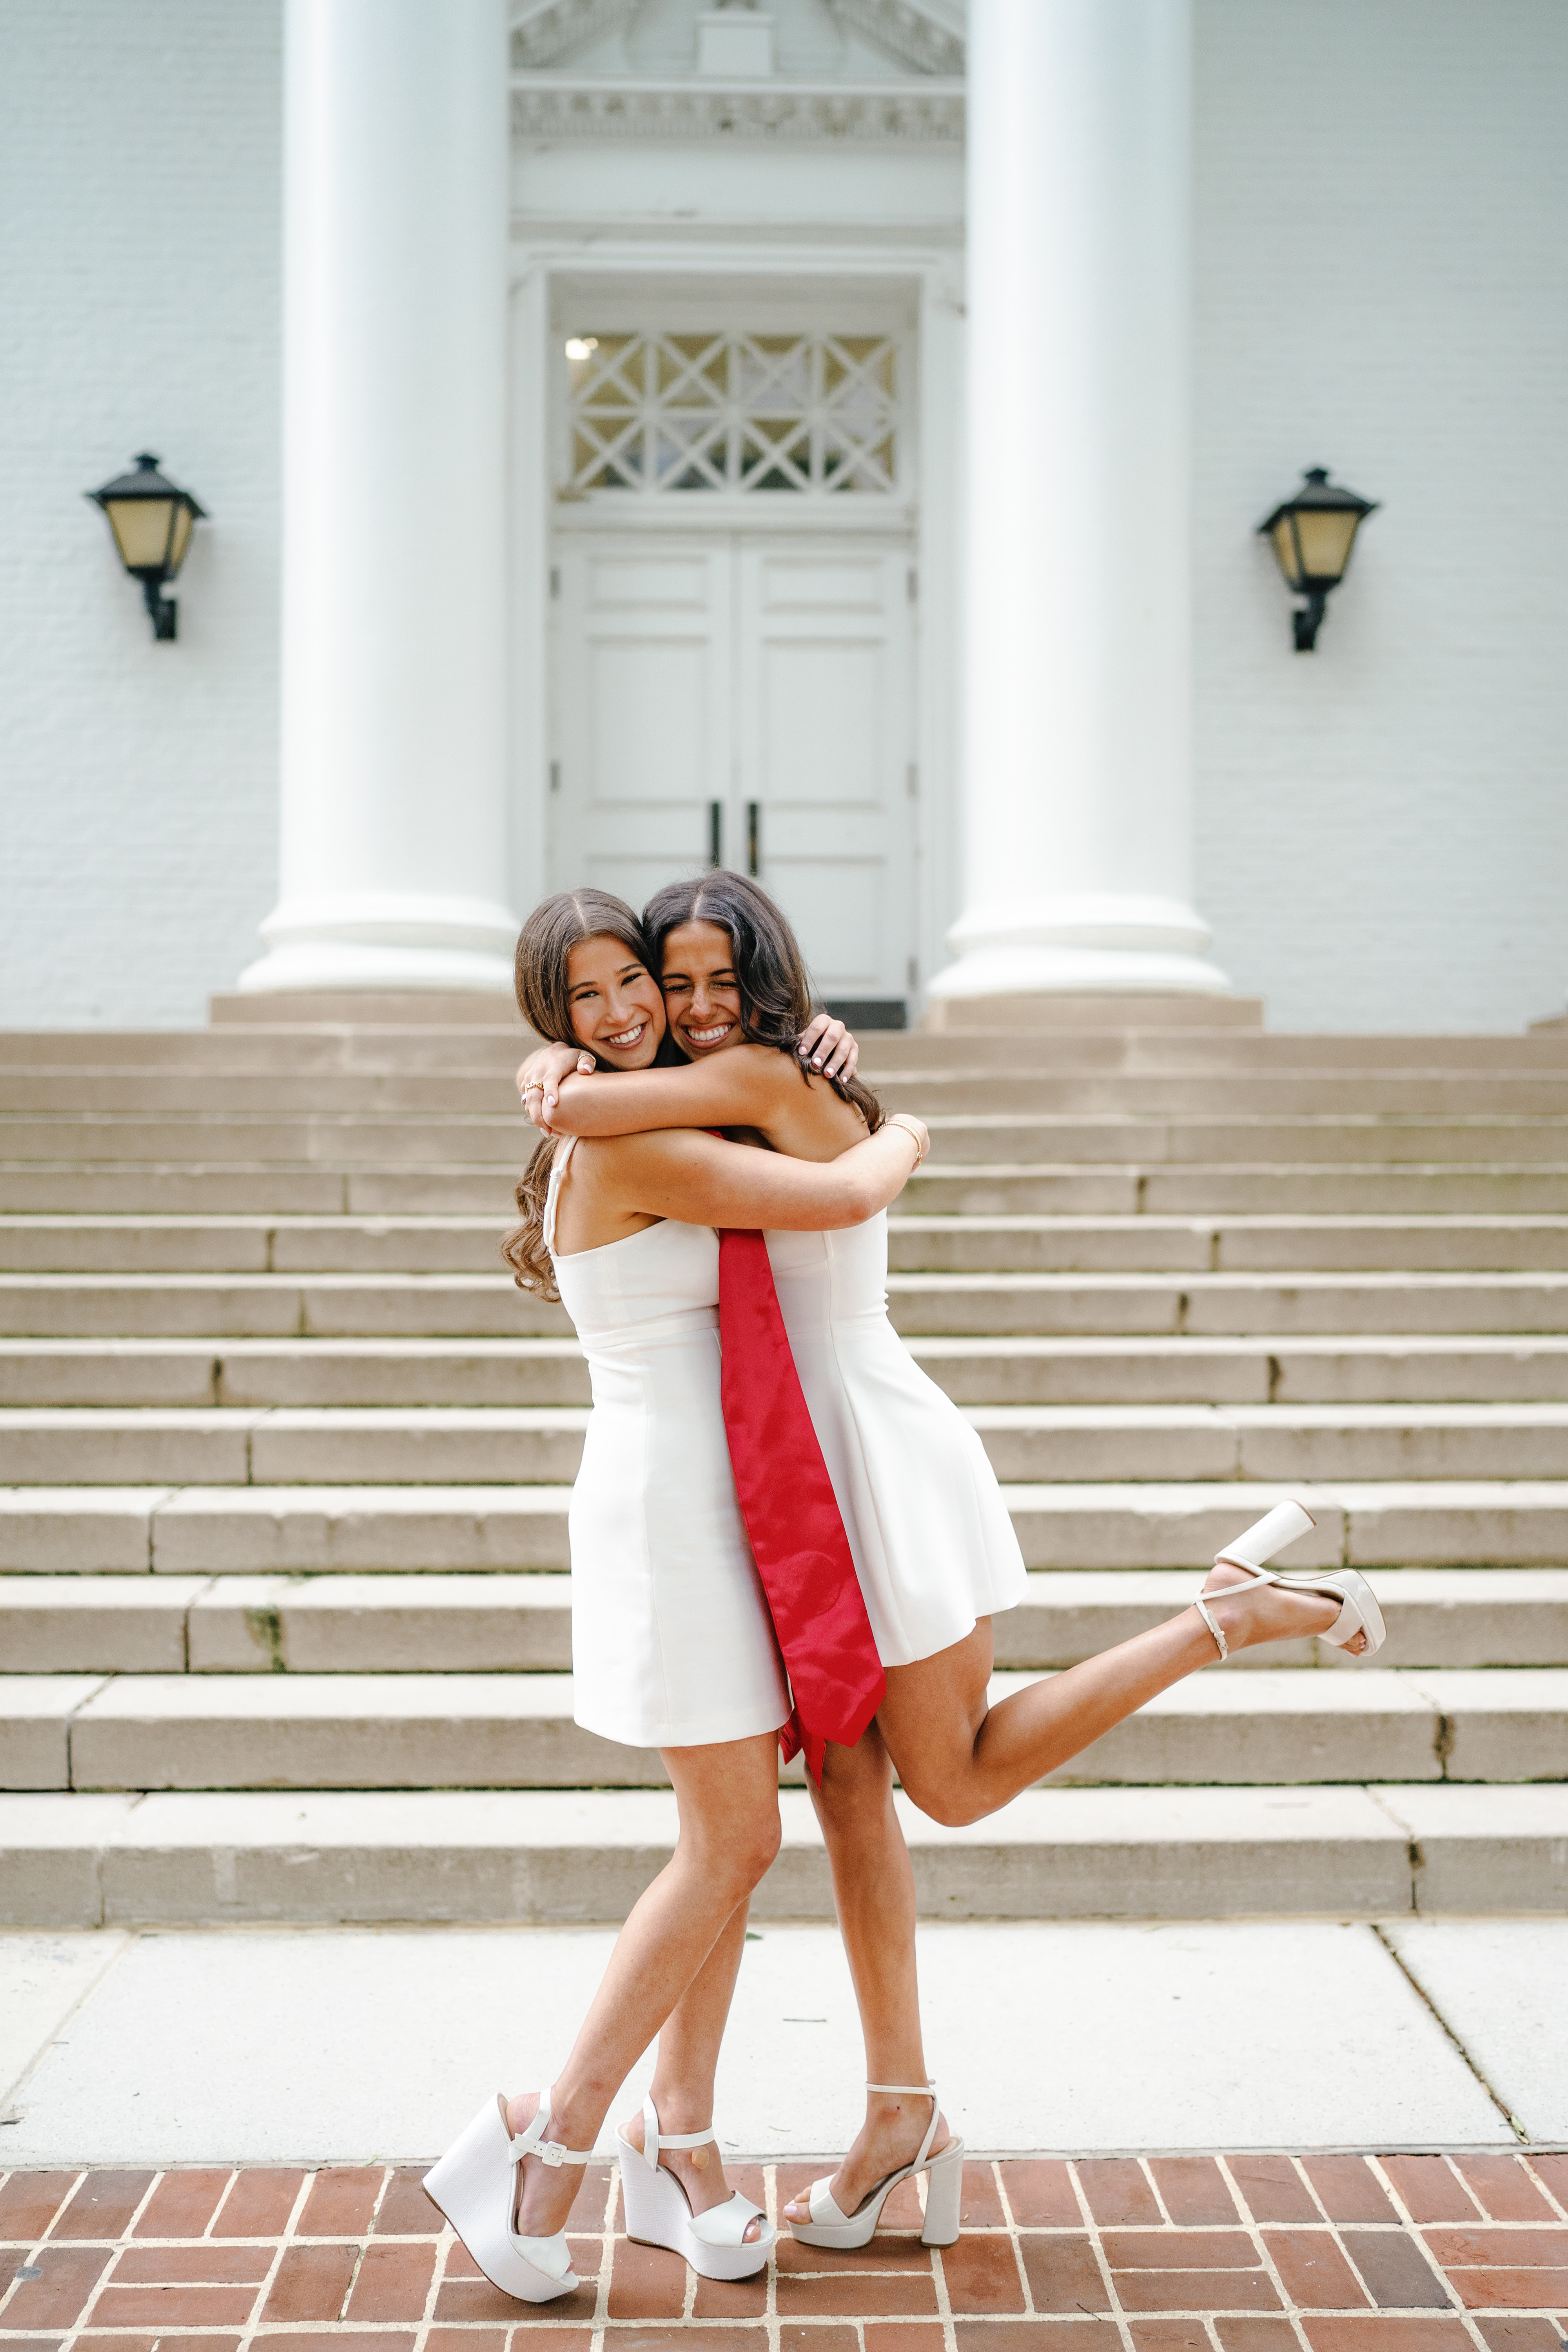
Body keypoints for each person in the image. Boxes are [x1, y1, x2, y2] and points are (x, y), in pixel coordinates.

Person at [518, 869, 1386, 2251]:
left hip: (879, 1462)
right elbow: (608, 1105)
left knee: (950, 1779)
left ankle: (1218, 1621)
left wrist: (575, 1070)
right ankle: (896, 2116)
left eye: (705, 980)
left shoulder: (751, 1077)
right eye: (656, 982)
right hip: (801, 1481)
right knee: (852, 1799)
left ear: (761, 981)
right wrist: (570, 1047)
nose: (682, 1008)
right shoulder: (731, 1083)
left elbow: (598, 1110)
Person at [422, 888, 931, 2307]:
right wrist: (906, 1129)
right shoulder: (628, 1141)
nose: (622, 1011)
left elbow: (758, 1105)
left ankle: (682, 2142)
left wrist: (805, 1055)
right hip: (670, 1516)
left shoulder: (643, 1109)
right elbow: (837, 1194)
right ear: (551, 1021)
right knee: (730, 1845)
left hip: (733, 1503)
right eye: (581, 1002)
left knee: (734, 1838)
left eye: (629, 981)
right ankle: (549, 2143)